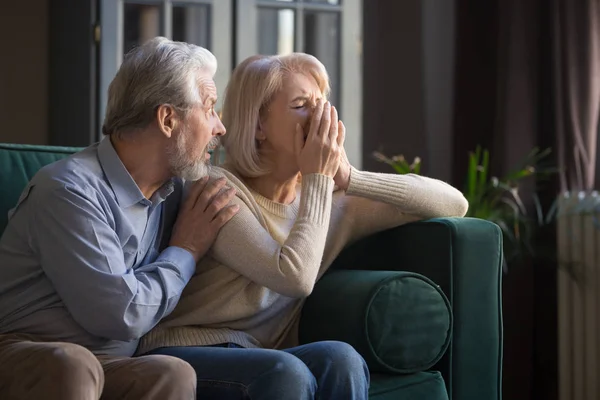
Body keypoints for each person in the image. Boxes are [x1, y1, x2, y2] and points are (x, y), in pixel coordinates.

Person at [137, 53, 470, 398]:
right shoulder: (217, 189)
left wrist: (350, 177)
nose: (320, 117)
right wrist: (319, 179)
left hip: (262, 356)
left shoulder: (329, 197)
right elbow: (293, 277)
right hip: (183, 352)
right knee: (286, 370)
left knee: (343, 359)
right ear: (259, 126)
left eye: (322, 103)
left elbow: (454, 203)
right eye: (301, 106)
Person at [0, 37, 316, 400]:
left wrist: (319, 173)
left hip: (108, 362)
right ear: (168, 119)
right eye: (210, 108)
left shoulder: (178, 189)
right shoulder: (69, 191)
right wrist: (186, 249)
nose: (220, 128)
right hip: (23, 352)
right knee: (72, 364)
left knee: (172, 371)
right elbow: (122, 316)